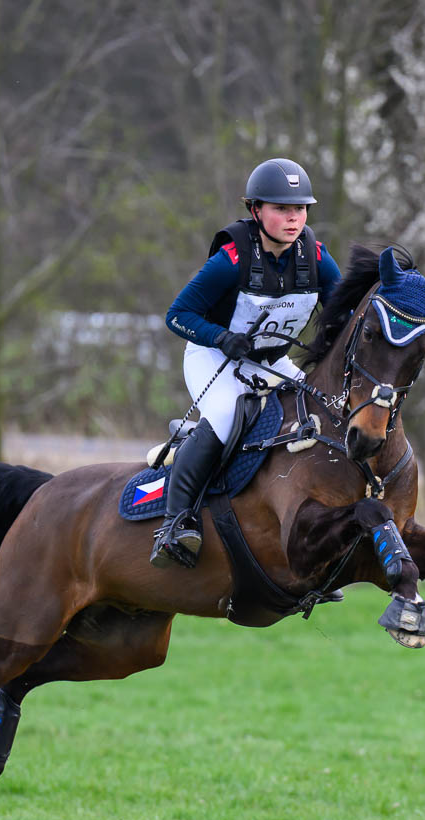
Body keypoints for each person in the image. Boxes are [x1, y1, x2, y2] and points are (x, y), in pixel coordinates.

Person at [152, 157, 343, 569]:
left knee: (326, 412)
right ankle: (174, 524)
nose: (293, 218)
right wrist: (221, 337)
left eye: (300, 209)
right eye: (281, 209)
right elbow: (177, 315)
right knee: (224, 415)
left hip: (273, 363)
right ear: (255, 210)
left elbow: (344, 312)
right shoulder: (231, 259)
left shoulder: (316, 257)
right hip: (213, 357)